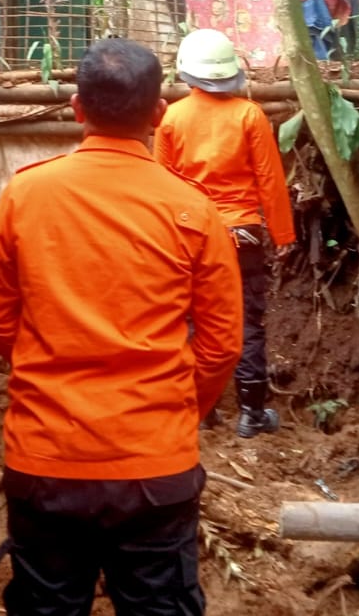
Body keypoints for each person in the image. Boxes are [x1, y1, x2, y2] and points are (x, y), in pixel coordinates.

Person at [0, 39, 243, 616]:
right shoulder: (194, 210)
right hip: (155, 464)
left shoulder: (23, 194)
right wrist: (175, 411)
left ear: (77, 107)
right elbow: (221, 345)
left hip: (45, 460)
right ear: (158, 114)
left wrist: (47, 374)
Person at [154, 29, 297, 439]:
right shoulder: (249, 116)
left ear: (187, 73)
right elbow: (270, 181)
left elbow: (160, 184)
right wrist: (283, 234)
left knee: (191, 320)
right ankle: (251, 414)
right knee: (246, 321)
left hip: (189, 234)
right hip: (242, 235)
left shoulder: (172, 118)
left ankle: (200, 410)